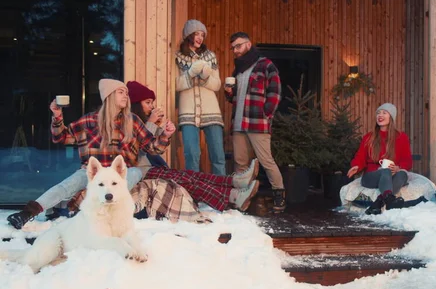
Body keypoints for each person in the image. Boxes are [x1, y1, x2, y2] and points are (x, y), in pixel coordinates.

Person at [7, 79, 175, 229]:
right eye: (120, 92)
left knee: (135, 172)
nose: (126, 96)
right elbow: (61, 138)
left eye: (126, 93)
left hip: (119, 173)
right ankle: (26, 214)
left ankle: (110, 213)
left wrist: (165, 136)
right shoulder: (88, 121)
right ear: (109, 95)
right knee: (67, 185)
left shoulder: (133, 121)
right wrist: (57, 117)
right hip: (94, 172)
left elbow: (152, 147)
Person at [127, 81, 260, 212]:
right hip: (140, 173)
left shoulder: (140, 122)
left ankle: (236, 182)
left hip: (148, 168)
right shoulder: (128, 123)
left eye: (152, 102)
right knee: (186, 180)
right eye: (147, 102)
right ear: (136, 104)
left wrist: (161, 131)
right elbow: (142, 151)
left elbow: (153, 148)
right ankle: (234, 196)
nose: (151, 106)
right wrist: (151, 123)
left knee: (191, 175)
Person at [224, 32, 286, 213]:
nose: (235, 50)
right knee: (240, 163)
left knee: (266, 161)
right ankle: (241, 199)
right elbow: (235, 98)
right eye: (233, 47)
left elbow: (275, 93)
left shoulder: (266, 65)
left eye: (238, 46)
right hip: (238, 124)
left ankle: (279, 197)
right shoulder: (238, 70)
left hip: (258, 123)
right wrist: (229, 92)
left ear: (248, 44)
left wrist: (266, 114)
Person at [175, 19, 226, 175]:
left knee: (218, 155)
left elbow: (217, 85)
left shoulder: (210, 56)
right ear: (188, 35)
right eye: (196, 34)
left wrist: (205, 77)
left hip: (211, 111)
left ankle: (220, 191)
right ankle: (194, 192)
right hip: (188, 113)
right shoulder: (178, 56)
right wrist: (190, 73)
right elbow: (176, 85)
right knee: (191, 155)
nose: (200, 38)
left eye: (202, 35)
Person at [347, 103, 413, 215]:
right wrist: (356, 166)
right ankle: (389, 200)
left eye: (384, 112)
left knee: (403, 174)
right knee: (385, 171)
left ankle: (379, 201)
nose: (380, 115)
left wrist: (399, 168)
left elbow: (407, 160)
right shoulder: (369, 137)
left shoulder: (401, 137)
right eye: (378, 113)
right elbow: (360, 157)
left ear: (391, 117)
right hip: (370, 177)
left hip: (391, 176)